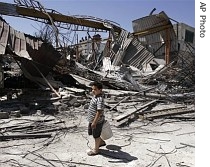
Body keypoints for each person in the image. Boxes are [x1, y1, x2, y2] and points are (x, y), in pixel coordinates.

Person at [87, 81, 106, 156]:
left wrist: (95, 122)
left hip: (97, 121)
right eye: (92, 89)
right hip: (92, 120)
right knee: (91, 132)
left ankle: (96, 150)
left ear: (100, 90)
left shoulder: (100, 99)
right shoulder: (95, 96)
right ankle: (101, 142)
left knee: (96, 135)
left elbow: (99, 112)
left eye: (95, 89)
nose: (93, 91)